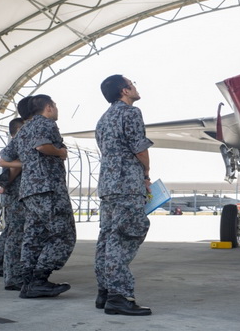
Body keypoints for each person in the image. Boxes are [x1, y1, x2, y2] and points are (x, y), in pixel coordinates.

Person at [0, 94, 76, 298]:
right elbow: (42, 146)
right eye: (55, 105)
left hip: (28, 191)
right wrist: (59, 152)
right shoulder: (46, 123)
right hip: (48, 189)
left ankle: (27, 282)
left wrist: (29, 163)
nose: (56, 109)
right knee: (64, 234)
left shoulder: (23, 130)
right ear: (48, 107)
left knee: (33, 236)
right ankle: (40, 278)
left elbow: (4, 158)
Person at [94, 75, 153, 316]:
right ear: (124, 90)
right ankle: (119, 296)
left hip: (108, 186)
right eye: (132, 83)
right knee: (125, 236)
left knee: (107, 238)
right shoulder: (131, 112)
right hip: (127, 185)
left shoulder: (103, 119)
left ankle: (105, 292)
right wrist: (146, 173)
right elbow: (139, 148)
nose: (136, 87)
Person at [0, 116, 25, 290]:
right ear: (18, 130)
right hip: (16, 195)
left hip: (12, 195)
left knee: (10, 232)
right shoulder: (19, 145)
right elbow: (14, 169)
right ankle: (12, 275)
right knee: (16, 234)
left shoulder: (13, 145)